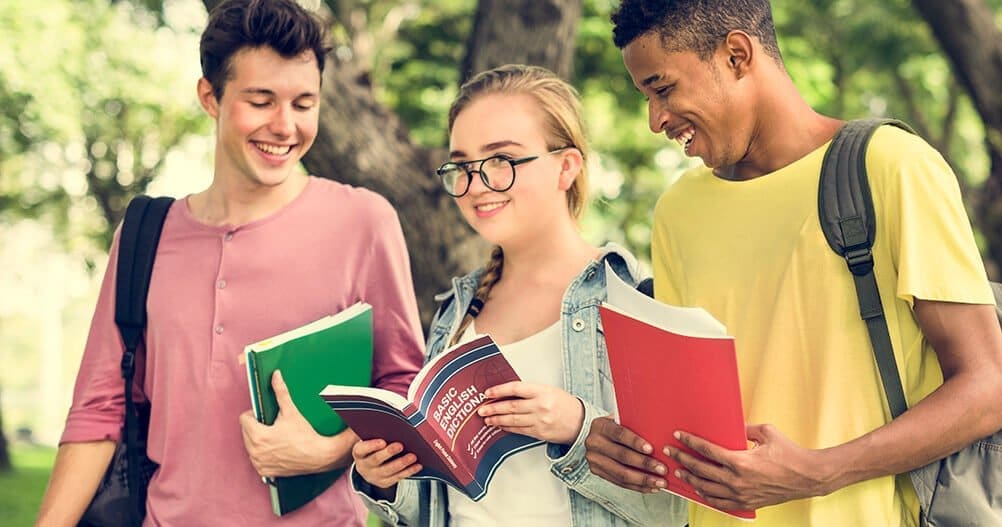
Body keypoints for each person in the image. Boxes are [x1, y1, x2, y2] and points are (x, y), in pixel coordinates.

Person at [583, 1, 1002, 526]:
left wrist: (818, 472)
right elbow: (689, 411)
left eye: (663, 89)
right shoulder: (677, 211)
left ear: (737, 54)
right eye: (645, 97)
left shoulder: (891, 166)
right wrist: (622, 446)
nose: (655, 120)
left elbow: (988, 386)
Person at [35, 1, 425, 525]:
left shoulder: (364, 222)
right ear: (210, 97)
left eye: (304, 104)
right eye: (261, 101)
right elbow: (99, 411)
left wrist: (327, 452)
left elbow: (405, 390)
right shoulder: (145, 236)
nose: (285, 126)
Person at [347, 64, 688, 527]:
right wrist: (385, 479)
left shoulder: (630, 299)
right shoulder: (456, 314)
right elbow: (436, 505)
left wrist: (577, 428)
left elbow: (673, 507)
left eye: (501, 160)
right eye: (462, 166)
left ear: (566, 167)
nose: (477, 184)